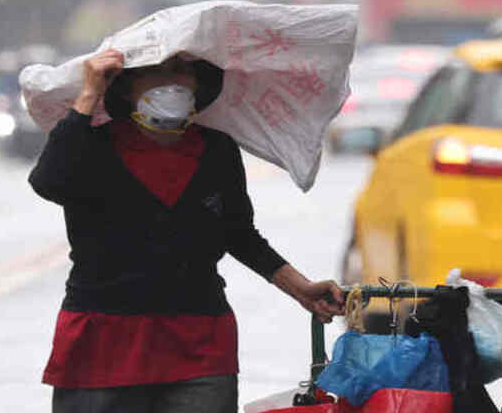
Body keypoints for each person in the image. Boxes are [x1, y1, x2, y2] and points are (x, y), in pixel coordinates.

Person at [29, 48, 345, 413]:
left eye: (180, 70)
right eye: (154, 72)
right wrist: (88, 94)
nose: (170, 82)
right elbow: (49, 183)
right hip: (103, 340)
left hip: (199, 342)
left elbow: (239, 234)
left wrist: (300, 288)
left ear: (199, 83)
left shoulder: (217, 149)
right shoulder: (92, 144)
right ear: (125, 85)